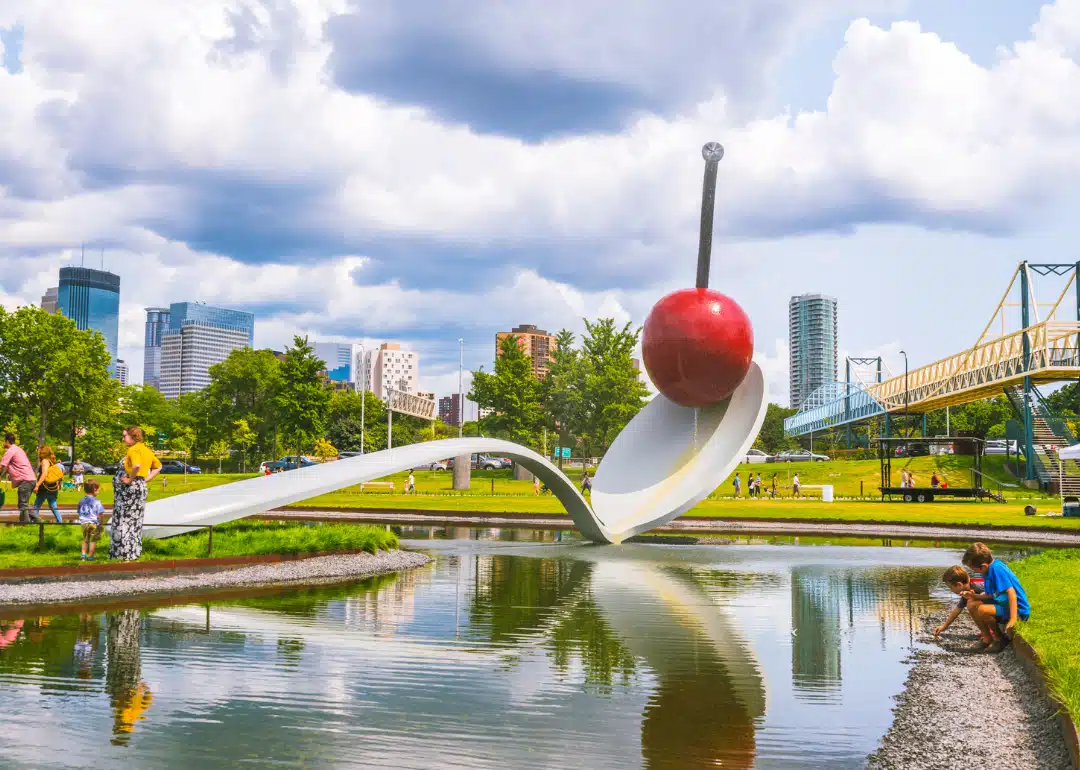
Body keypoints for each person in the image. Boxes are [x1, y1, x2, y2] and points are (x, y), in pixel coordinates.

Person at [961, 542, 1031, 652]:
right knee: (971, 603)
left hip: (1017, 609)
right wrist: (973, 595)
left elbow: (1011, 593)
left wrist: (1013, 619)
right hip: (1003, 603)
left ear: (983, 566)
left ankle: (999, 640)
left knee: (983, 610)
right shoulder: (987, 571)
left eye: (973, 569)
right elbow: (989, 594)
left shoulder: (996, 569)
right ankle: (987, 638)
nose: (973, 572)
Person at [109, 426, 162, 561]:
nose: (123, 439)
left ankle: (122, 553)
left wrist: (129, 479)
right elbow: (158, 466)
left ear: (133, 437)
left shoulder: (133, 449)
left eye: (125, 436)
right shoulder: (146, 450)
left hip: (129, 490)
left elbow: (136, 466)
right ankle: (133, 551)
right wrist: (145, 480)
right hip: (139, 488)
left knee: (123, 519)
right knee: (135, 520)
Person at [932, 566, 984, 640]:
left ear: (959, 585)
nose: (951, 590)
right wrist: (944, 627)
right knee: (971, 602)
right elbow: (957, 610)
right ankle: (985, 631)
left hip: (1001, 609)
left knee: (972, 604)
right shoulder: (966, 590)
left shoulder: (978, 587)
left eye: (951, 587)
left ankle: (989, 633)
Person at [1, 433, 38, 523]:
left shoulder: (10, 451)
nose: (2, 443)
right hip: (30, 479)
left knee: (23, 505)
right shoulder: (18, 449)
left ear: (6, 441)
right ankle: (35, 519)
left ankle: (26, 524)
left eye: (3, 441)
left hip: (25, 481)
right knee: (22, 504)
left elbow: (2, 466)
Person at [32, 445, 65, 524]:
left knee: (36, 505)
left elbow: (44, 474)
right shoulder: (51, 461)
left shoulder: (45, 461)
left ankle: (34, 522)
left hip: (45, 487)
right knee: (53, 505)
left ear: (43, 452)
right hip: (52, 487)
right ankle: (60, 521)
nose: (38, 452)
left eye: (39, 451)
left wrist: (37, 485)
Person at [78, 478, 106, 561]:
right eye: (98, 490)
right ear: (95, 489)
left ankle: (83, 555)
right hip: (94, 523)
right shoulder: (97, 501)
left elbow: (79, 511)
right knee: (93, 540)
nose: (98, 491)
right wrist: (101, 524)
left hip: (84, 523)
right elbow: (100, 514)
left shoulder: (81, 501)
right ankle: (90, 556)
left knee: (85, 539)